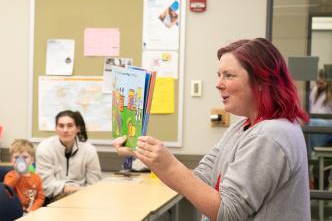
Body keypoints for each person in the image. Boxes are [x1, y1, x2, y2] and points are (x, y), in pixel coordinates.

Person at [113, 38, 310, 220]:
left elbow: (228, 213)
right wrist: (145, 153)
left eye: (229, 76)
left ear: (260, 81)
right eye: (219, 75)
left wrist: (169, 165)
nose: (218, 84)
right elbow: (199, 181)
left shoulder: (270, 135)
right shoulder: (241, 128)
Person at [36, 110, 102, 202]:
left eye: (70, 126)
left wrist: (80, 193)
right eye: (61, 126)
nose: (65, 130)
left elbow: (95, 185)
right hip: (52, 199)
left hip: (83, 199)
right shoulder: (45, 148)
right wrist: (75, 189)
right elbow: (45, 186)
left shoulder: (89, 150)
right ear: (56, 128)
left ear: (78, 128)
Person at [3, 139, 44, 212]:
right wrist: (17, 176)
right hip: (15, 212)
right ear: (11, 161)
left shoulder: (37, 178)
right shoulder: (9, 176)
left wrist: (33, 209)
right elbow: (6, 192)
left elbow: (40, 197)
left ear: (32, 160)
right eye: (16, 157)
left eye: (25, 157)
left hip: (32, 212)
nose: (20, 160)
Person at [308, 69, 332, 150]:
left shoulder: (330, 94)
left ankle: (316, 150)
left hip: (326, 124)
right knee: (310, 123)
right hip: (314, 122)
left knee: (313, 122)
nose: (319, 85)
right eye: (317, 83)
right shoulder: (315, 90)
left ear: (327, 82)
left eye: (321, 83)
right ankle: (312, 153)